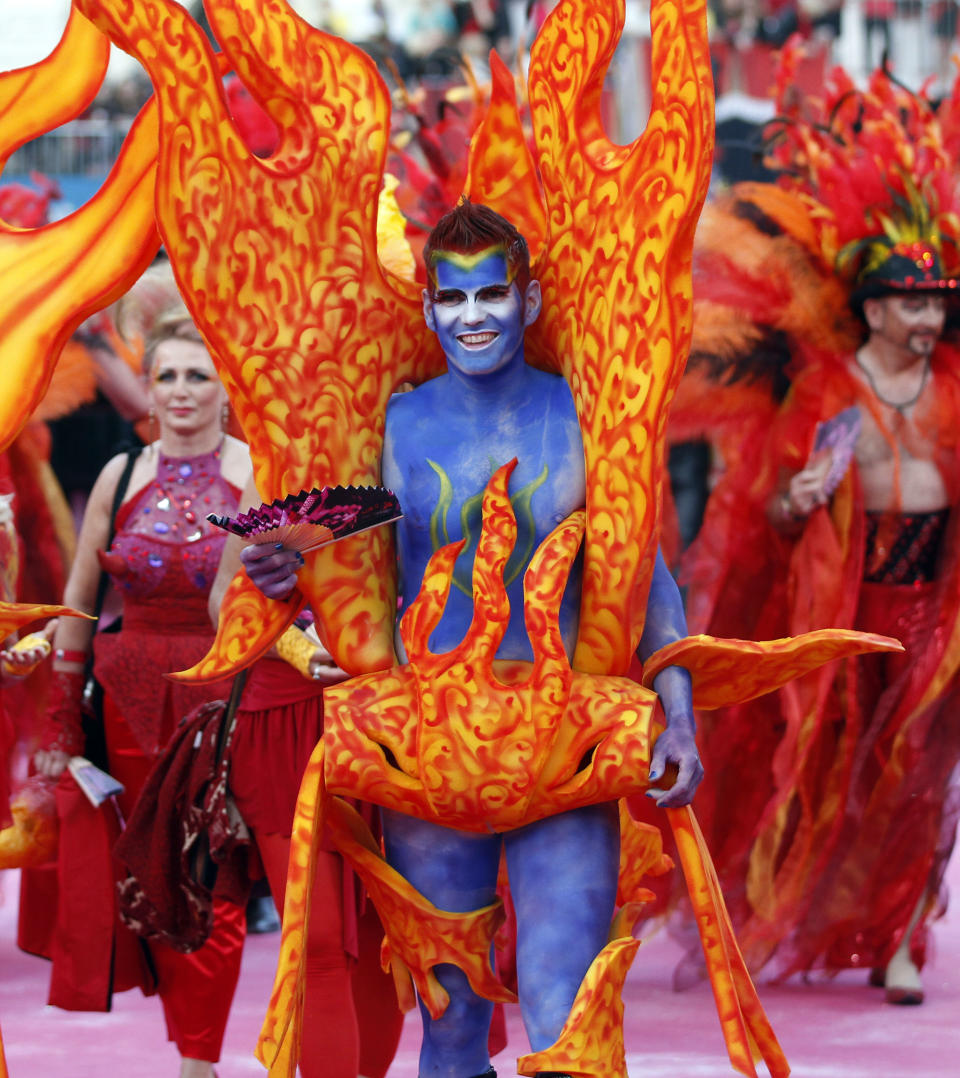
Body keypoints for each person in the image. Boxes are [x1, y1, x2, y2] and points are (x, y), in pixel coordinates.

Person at [242, 200, 704, 1078]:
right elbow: (342, 554)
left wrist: (676, 712)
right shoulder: (398, 423)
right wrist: (282, 581)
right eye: (452, 301)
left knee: (564, 1014)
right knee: (449, 1029)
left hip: (562, 738)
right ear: (427, 311)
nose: (474, 318)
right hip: (429, 747)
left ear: (529, 302)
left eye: (493, 294)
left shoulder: (587, 412)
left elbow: (648, 577)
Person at [34, 296, 253, 1078]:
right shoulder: (119, 473)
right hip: (124, 701)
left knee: (210, 879)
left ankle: (199, 1062)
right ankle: (190, 1038)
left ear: (226, 389)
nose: (184, 389)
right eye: (169, 376)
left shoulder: (255, 475)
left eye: (199, 375)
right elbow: (78, 602)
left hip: (222, 705)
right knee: (150, 885)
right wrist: (62, 725)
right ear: (150, 389)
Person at [209, 500, 406, 1078]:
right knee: (317, 938)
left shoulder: (403, 435)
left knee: (381, 932)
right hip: (284, 724)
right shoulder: (262, 466)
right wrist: (298, 647)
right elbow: (223, 599)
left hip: (387, 718)